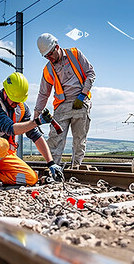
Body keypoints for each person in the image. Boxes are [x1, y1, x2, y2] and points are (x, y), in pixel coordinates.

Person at [0, 72, 64, 191]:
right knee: (1, 144)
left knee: (31, 179)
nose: (15, 104)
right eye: (13, 100)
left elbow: (35, 135)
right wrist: (37, 121)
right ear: (5, 91)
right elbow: (10, 129)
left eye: (18, 101)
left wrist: (50, 163)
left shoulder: (22, 109)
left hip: (1, 152)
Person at [34, 33, 96, 166]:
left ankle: (76, 168)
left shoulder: (75, 54)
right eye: (46, 56)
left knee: (79, 141)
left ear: (56, 47)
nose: (49, 58)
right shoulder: (48, 69)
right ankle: (53, 169)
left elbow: (91, 73)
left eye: (50, 54)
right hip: (61, 107)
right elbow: (43, 94)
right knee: (55, 140)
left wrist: (83, 94)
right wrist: (36, 115)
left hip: (81, 103)